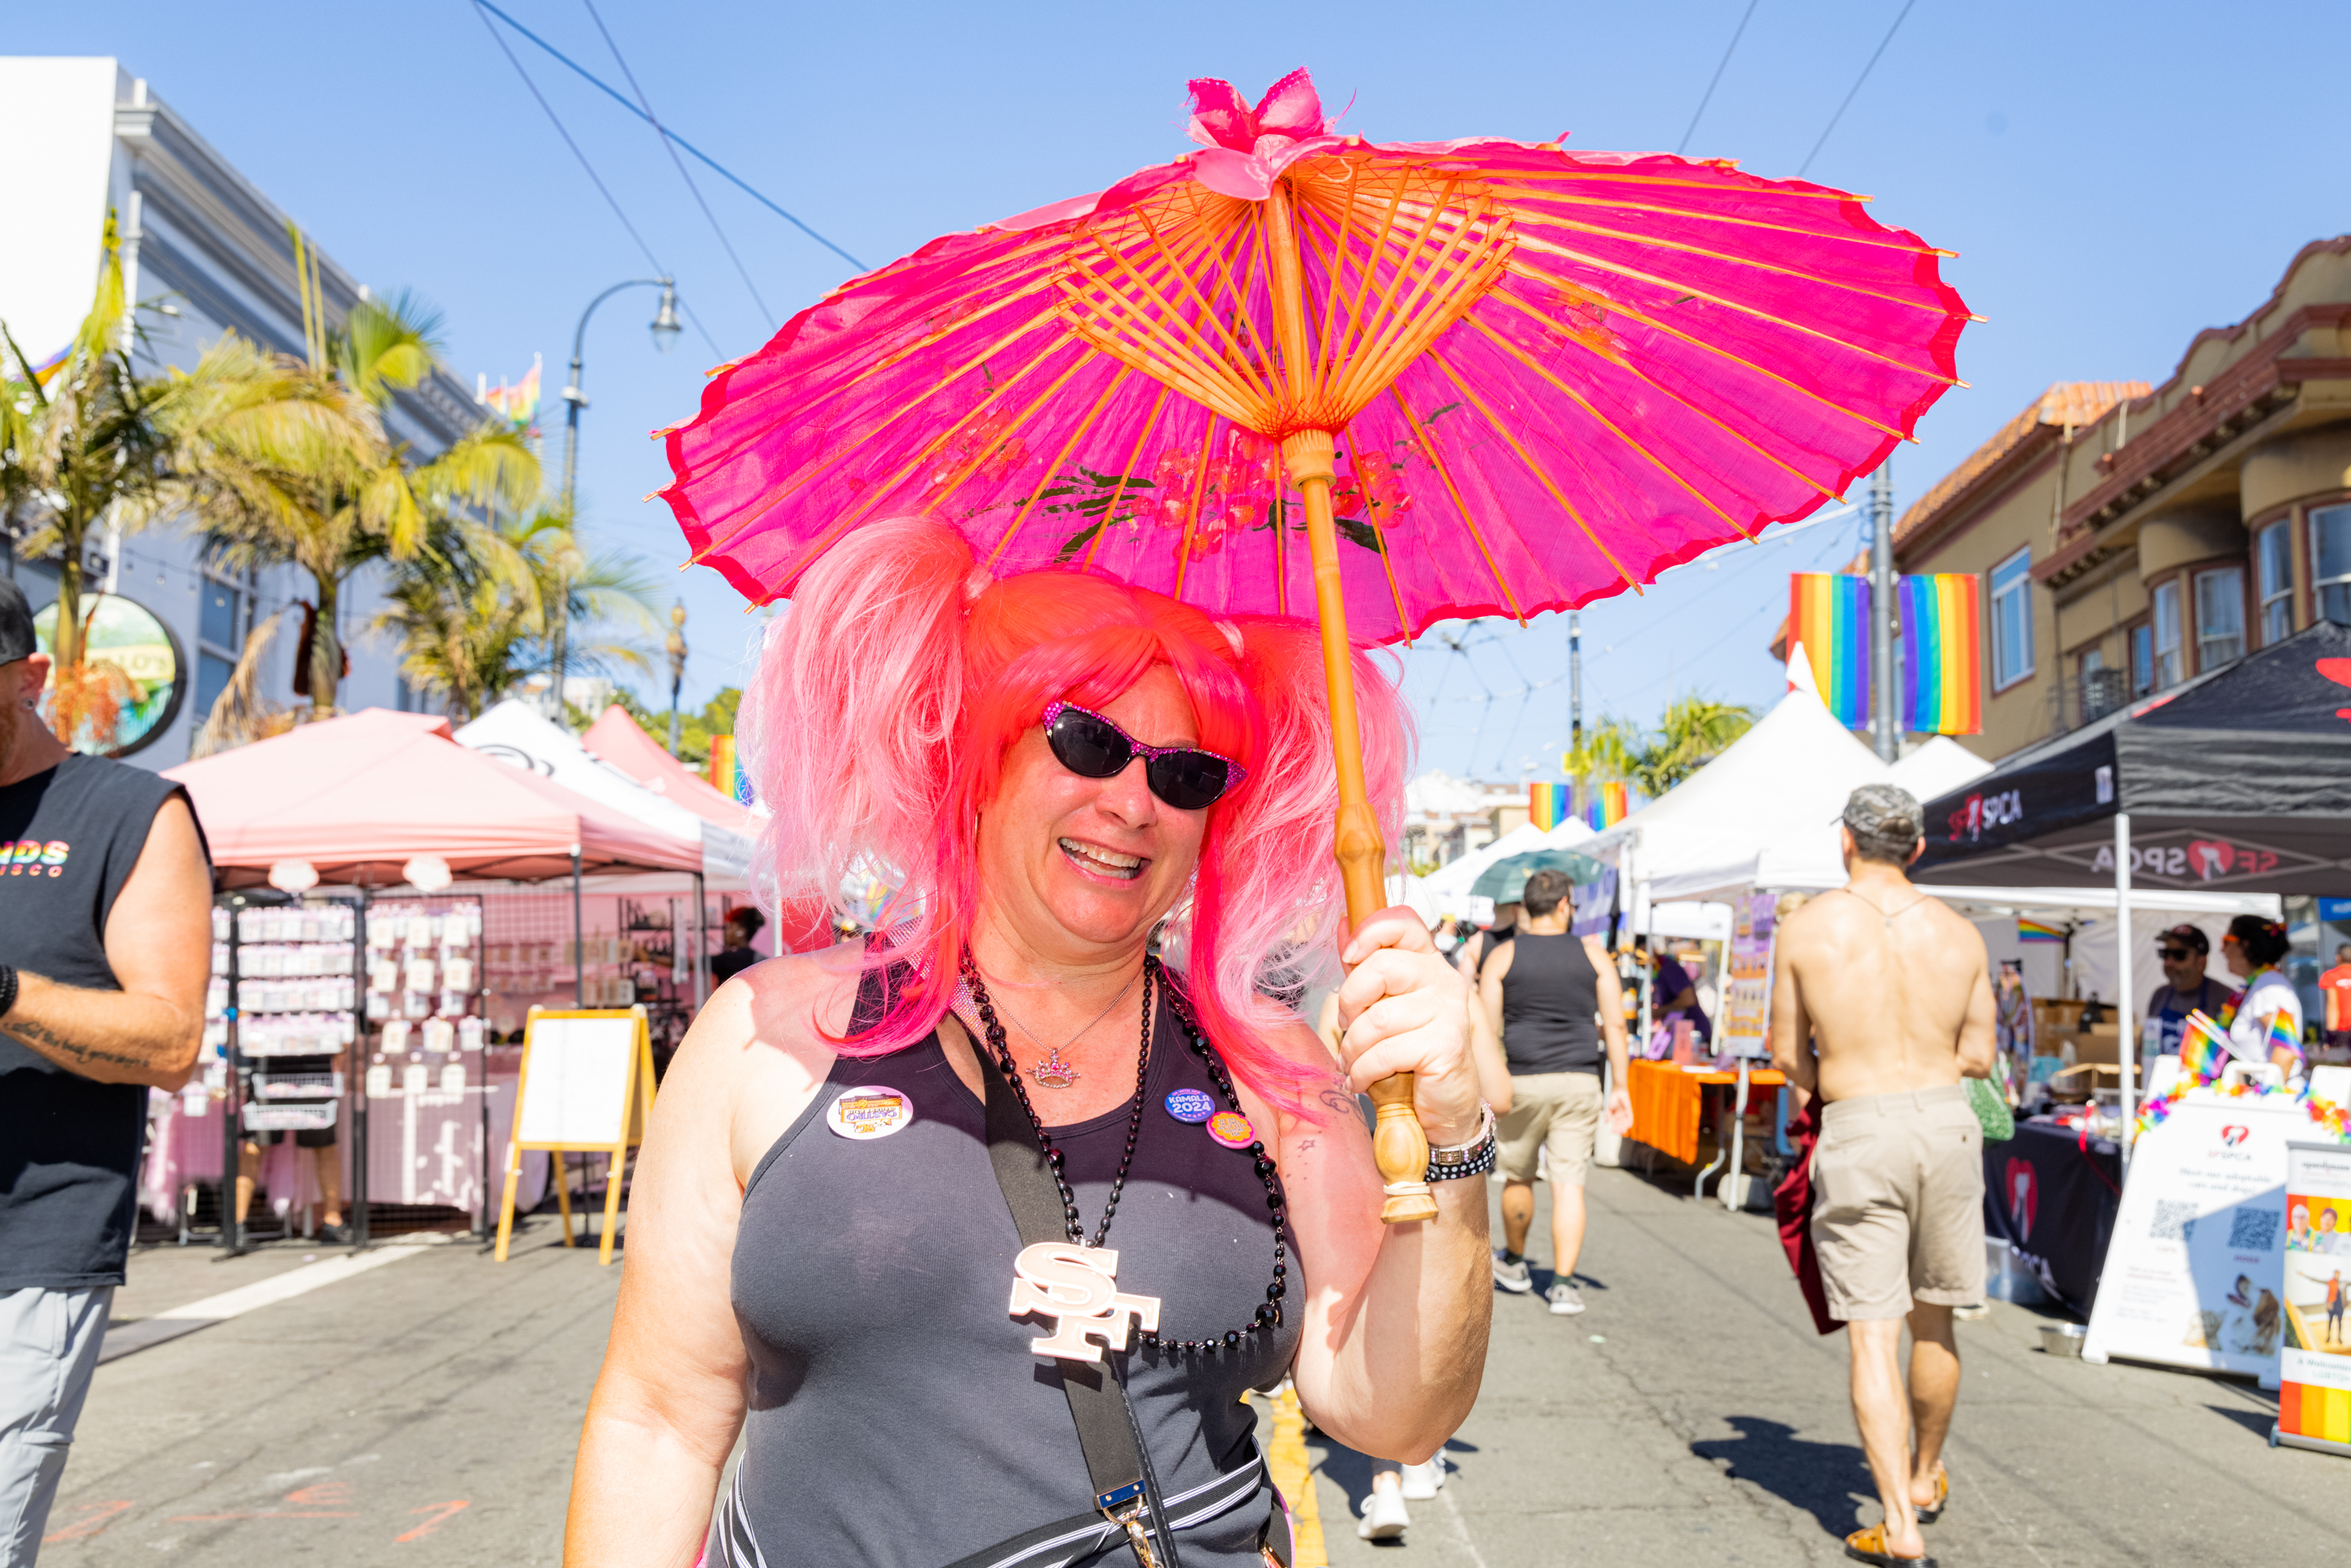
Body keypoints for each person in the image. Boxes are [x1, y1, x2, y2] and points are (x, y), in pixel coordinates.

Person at [565, 519, 1492, 1566]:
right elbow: (657, 1424)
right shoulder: (766, 1040)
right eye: (1088, 740)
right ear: (984, 749)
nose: (1133, 801)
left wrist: (1452, 1138)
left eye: (1186, 773)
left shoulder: (1278, 1074)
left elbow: (1392, 1411)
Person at [0, 579, 213, 1568]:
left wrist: (5, 992)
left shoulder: (128, 812)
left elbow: (169, 1041)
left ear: (30, 676)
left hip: (27, 1251)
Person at [1769, 784, 1995, 1568]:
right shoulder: (1960, 934)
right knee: (1935, 1318)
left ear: (1846, 843)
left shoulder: (1807, 929)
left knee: (1873, 1335)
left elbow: (1787, 1054)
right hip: (1945, 1119)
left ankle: (1898, 1524)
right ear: (1920, 849)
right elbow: (1981, 1057)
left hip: (1860, 1121)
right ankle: (1927, 1475)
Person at [1312, 988, 1509, 1541]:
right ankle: (1415, 1457)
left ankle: (1389, 1480)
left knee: (1385, 1322)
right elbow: (1503, 1094)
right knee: (1436, 1315)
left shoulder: (1342, 1001)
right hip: (1443, 1179)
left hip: (1365, 1169)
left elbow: (1318, 1098)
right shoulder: (1456, 997)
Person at [1481, 867, 1634, 1316]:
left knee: (1518, 1175)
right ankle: (1564, 1285)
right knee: (1570, 1184)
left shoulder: (1503, 957)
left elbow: (1488, 1032)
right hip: (1580, 1081)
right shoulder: (1595, 957)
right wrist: (1620, 1086)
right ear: (1566, 904)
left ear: (1526, 906)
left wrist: (1490, 1088)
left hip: (1522, 1081)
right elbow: (1617, 1025)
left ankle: (1513, 1261)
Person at [2217, 915, 2305, 1085]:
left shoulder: (2270, 987)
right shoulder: (2263, 984)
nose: (2222, 951)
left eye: (2226, 941)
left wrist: (2270, 1097)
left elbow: (2286, 1049)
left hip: (2274, 1099)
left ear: (2245, 945)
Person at [2146, 924, 2233, 1065]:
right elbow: (2143, 1048)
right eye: (2165, 954)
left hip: (2204, 1086)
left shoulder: (2224, 998)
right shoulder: (2159, 995)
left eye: (2179, 955)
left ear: (2201, 962)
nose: (2169, 962)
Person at [707, 906, 766, 985]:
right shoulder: (758, 957)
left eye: (730, 926)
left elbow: (697, 963)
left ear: (741, 931)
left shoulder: (731, 959)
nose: (726, 931)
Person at [2317, 943, 2351, 1059]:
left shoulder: (2331, 977)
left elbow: (2333, 1006)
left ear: (2338, 958)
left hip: (2343, 1032)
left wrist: (2330, 1038)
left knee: (2343, 1067)